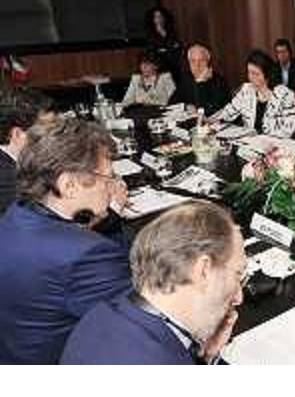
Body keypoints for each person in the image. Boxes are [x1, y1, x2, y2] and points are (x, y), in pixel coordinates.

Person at [0, 118, 132, 364]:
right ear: (68, 185)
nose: (114, 186)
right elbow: (141, 322)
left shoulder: (17, 213)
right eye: (108, 178)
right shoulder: (89, 254)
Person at [61, 201, 246, 365]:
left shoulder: (99, 314)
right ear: (203, 270)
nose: (239, 297)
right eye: (237, 275)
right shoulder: (160, 361)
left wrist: (204, 357)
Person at [210, 49, 295, 137]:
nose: (251, 77)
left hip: (274, 142)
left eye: (256, 74)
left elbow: (288, 129)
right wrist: (210, 120)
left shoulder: (285, 95)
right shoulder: (246, 90)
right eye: (249, 72)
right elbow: (229, 111)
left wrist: (262, 136)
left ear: (267, 74)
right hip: (250, 141)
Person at [0, 85, 57, 215]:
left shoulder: (24, 159)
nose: (55, 136)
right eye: (48, 130)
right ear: (17, 134)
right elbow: (43, 218)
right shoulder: (6, 180)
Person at [173, 44, 231, 116]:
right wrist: (185, 106)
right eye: (193, 61)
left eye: (201, 60)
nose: (197, 65)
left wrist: (200, 82)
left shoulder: (218, 82)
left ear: (208, 62)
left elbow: (206, 111)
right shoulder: (186, 79)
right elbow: (171, 104)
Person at [144, 6, 183, 83]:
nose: (159, 19)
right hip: (160, 72)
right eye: (156, 17)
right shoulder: (150, 36)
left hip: (175, 70)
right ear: (152, 19)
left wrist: (166, 48)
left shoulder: (171, 32)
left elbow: (177, 48)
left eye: (160, 16)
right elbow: (152, 54)